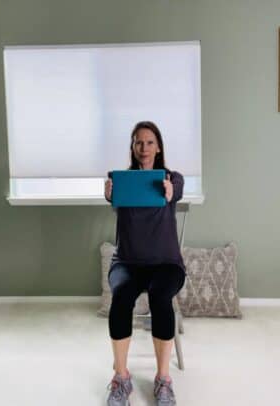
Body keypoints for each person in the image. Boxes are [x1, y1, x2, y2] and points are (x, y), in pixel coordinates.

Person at [104, 121, 186, 406]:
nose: (144, 148)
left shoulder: (172, 179)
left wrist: (168, 191)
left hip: (166, 264)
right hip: (127, 262)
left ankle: (163, 380)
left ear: (159, 146)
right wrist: (109, 193)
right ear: (132, 147)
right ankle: (121, 377)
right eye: (138, 142)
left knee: (160, 297)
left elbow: (175, 190)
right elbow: (113, 199)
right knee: (122, 296)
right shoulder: (122, 181)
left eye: (150, 142)